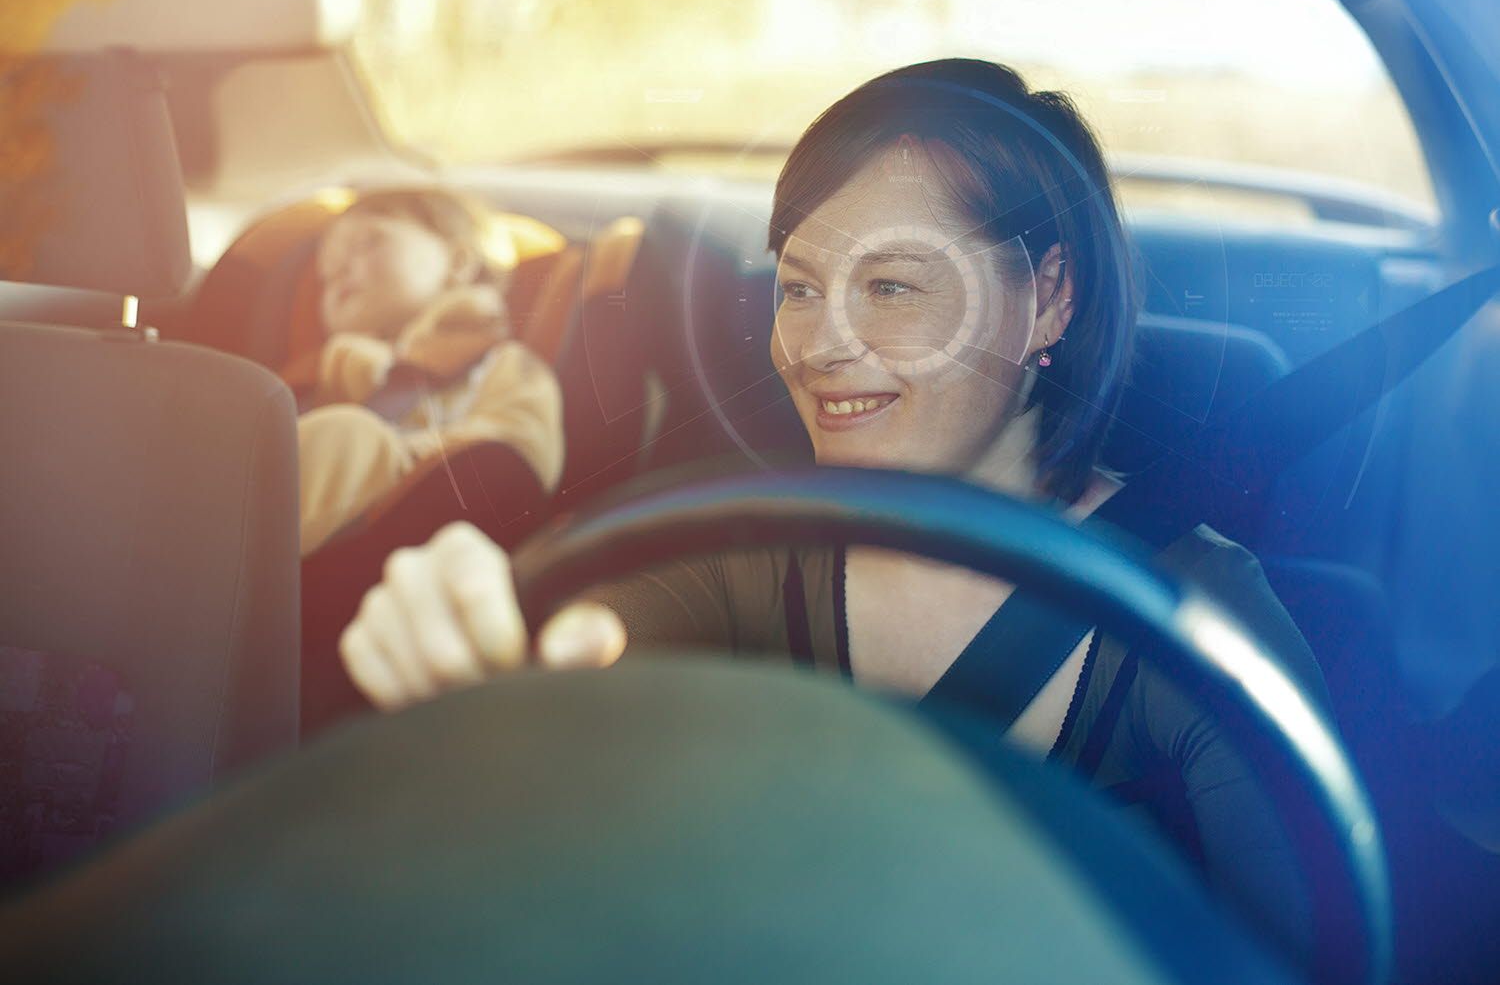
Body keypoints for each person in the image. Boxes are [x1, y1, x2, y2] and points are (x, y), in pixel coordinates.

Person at [336, 61, 1328, 965]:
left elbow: (1316, 956)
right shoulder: (745, 546)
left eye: (892, 285)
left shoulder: (1199, 620)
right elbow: (585, 653)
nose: (816, 345)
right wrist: (485, 658)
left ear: (1050, 299)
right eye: (799, 287)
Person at [295, 188, 565, 555]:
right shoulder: (325, 373)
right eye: (326, 274)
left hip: (414, 536)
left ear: (457, 263)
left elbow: (517, 452)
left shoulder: (499, 363)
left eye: (367, 244)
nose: (339, 270)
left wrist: (397, 461)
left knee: (349, 434)